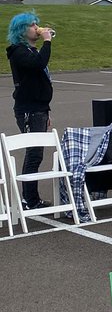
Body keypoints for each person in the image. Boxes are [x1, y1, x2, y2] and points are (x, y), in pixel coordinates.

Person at [5, 11, 54, 209]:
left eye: (36, 24)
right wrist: (47, 41)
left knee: (37, 154)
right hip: (28, 110)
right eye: (32, 25)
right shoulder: (18, 52)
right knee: (34, 154)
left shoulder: (31, 51)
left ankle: (31, 198)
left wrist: (46, 111)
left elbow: (40, 79)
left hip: (39, 108)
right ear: (21, 30)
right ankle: (29, 199)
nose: (36, 28)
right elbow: (38, 64)